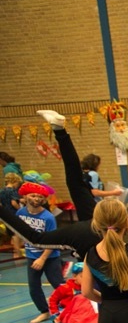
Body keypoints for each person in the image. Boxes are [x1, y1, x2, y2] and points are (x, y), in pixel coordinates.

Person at [0, 111, 102, 261]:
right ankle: (59, 129)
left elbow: (36, 239)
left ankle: (59, 129)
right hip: (96, 233)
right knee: (75, 183)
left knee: (75, 182)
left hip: (92, 231)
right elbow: (35, 239)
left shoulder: (84, 233)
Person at [14, 186, 64, 323]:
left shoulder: (48, 218)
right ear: (25, 197)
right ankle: (44, 311)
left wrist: (42, 258)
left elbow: (53, 241)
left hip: (50, 257)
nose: (36, 199)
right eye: (33, 195)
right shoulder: (20, 213)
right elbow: (17, 231)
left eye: (40, 197)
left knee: (59, 285)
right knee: (34, 287)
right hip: (32, 256)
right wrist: (17, 248)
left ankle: (71, 308)